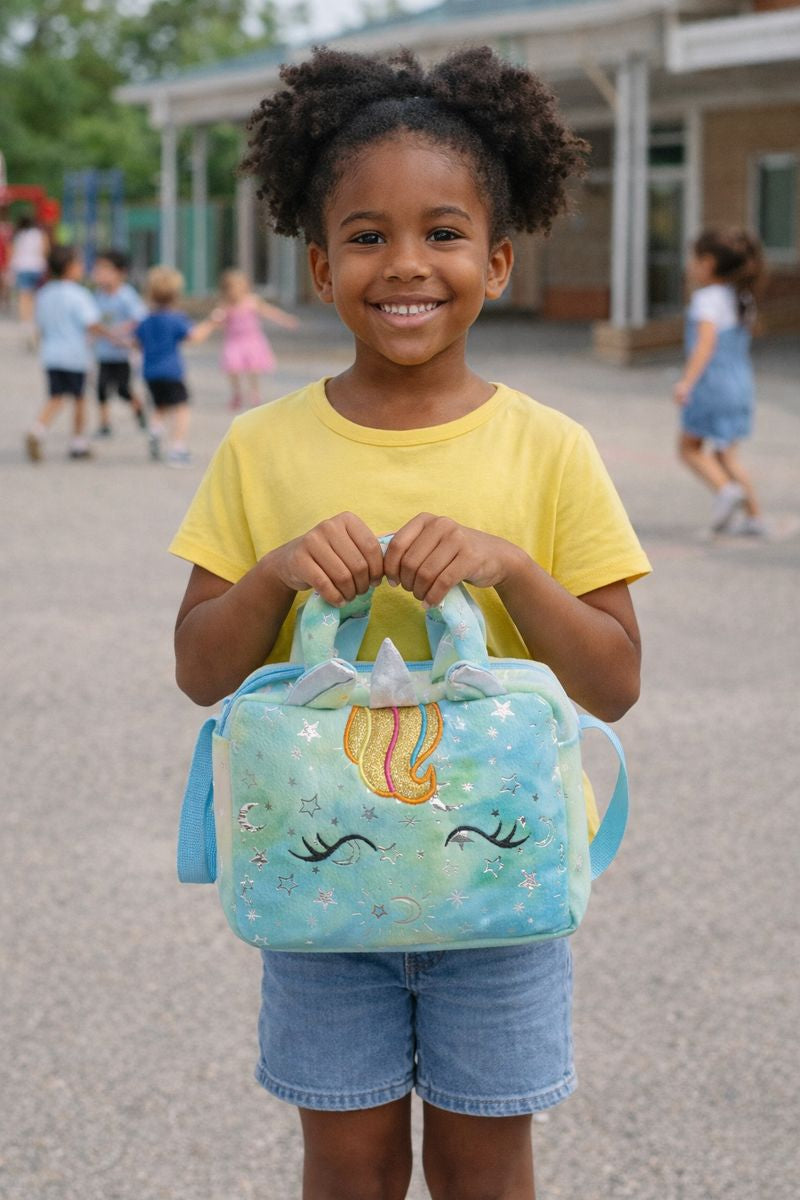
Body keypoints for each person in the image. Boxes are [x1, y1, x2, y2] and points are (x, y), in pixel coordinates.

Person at [169, 47, 651, 1200]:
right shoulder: (262, 447)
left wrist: (515, 573)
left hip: (501, 882)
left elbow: (615, 681)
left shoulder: (546, 447)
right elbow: (198, 669)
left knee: (487, 1155)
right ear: (319, 261)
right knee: (346, 1153)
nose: (406, 266)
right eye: (368, 235)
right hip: (319, 875)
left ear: (495, 258)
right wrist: (278, 573)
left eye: (441, 233)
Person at [674, 228, 766, 536]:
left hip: (711, 385)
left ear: (709, 263)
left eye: (696, 259)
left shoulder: (707, 299)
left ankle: (725, 492)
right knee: (726, 454)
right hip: (740, 384)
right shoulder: (742, 299)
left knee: (688, 447)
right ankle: (753, 517)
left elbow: (705, 345)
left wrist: (686, 382)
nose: (691, 266)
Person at [26, 244, 114, 462]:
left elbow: (41, 324)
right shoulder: (79, 294)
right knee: (79, 399)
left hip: (51, 354)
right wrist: (114, 336)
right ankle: (77, 443)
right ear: (70, 267)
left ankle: (38, 429)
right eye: (79, 263)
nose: (83, 267)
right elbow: (91, 323)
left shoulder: (45, 293)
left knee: (56, 396)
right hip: (75, 356)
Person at [133, 266, 213, 467]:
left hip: (150, 372)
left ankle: (155, 429)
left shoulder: (146, 320)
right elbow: (193, 337)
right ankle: (177, 448)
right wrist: (212, 323)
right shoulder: (176, 318)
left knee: (160, 404)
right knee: (181, 407)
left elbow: (136, 342)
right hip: (172, 371)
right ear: (176, 294)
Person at [209, 268, 299, 409]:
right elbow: (218, 323)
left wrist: (285, 319)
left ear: (245, 287)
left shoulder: (252, 301)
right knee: (232, 367)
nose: (235, 291)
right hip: (234, 342)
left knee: (253, 368)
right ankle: (237, 393)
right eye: (231, 288)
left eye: (238, 287)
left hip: (252, 340)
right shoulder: (225, 305)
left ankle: (254, 392)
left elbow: (270, 312)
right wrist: (217, 320)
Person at [91, 248, 148, 436]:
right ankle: (105, 424)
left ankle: (139, 408)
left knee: (123, 390)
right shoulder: (98, 295)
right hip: (103, 352)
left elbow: (139, 319)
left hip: (122, 353)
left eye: (106, 270)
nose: (101, 274)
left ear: (121, 272)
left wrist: (119, 332)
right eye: (99, 270)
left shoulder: (126, 295)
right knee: (101, 388)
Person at [10, 214, 48, 342]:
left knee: (24, 294)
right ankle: (34, 318)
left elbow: (13, 252)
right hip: (37, 266)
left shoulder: (19, 235)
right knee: (35, 295)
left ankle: (25, 320)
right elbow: (45, 250)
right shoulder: (39, 234)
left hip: (22, 266)